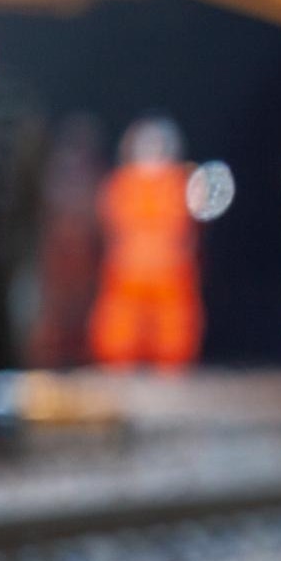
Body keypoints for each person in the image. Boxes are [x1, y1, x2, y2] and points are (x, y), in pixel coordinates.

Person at [90, 117, 208, 372]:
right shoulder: (121, 183)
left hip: (169, 270)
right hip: (128, 269)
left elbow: (191, 225)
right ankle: (118, 366)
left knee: (173, 322)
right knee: (121, 321)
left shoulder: (179, 183)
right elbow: (109, 223)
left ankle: (171, 368)